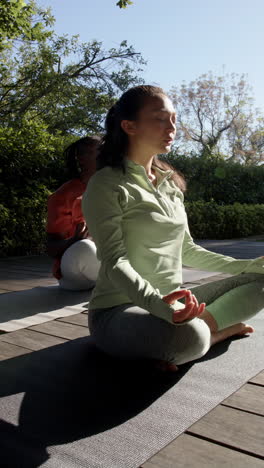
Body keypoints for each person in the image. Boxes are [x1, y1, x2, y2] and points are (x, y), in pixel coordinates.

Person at [82, 85, 264, 372]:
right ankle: (209, 335)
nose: (172, 127)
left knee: (260, 281)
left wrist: (249, 264)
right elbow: (116, 261)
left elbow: (187, 250)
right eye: (160, 118)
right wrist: (160, 306)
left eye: (174, 119)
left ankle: (185, 341)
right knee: (188, 335)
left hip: (175, 303)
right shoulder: (107, 184)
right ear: (129, 125)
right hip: (119, 311)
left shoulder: (170, 184)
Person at [47, 136, 101, 290]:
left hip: (109, 261)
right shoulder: (62, 196)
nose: (105, 155)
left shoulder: (117, 187)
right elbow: (51, 248)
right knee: (85, 248)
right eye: (96, 152)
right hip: (76, 270)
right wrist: (74, 240)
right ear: (81, 159)